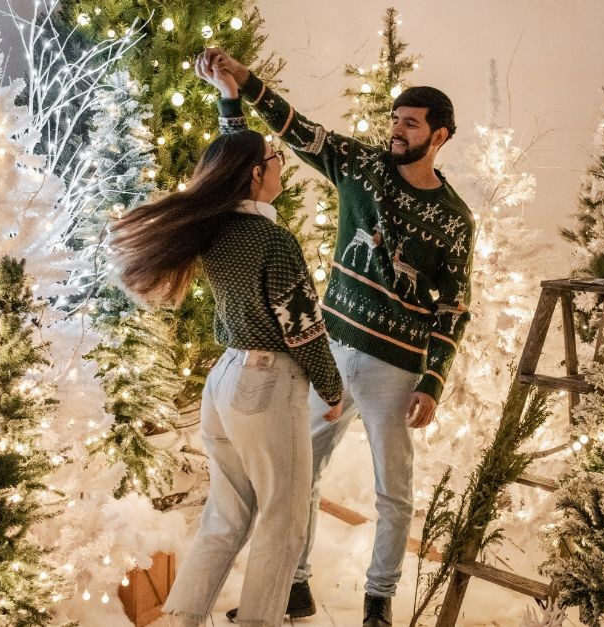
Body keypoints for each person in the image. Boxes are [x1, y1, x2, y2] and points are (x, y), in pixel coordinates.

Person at [198, 48, 475, 627]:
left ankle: (379, 601)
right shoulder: (360, 166)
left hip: (395, 369)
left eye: (410, 123)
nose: (396, 130)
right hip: (329, 348)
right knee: (302, 474)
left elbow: (454, 305)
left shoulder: (454, 218)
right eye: (395, 119)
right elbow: (296, 128)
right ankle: (294, 588)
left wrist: (434, 378)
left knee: (392, 491)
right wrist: (242, 83)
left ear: (439, 135)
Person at [109, 79, 344, 625]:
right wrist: (331, 389)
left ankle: (182, 618)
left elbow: (231, 155)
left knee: (225, 517)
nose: (281, 164)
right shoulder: (272, 241)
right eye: (274, 159)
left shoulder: (216, 228)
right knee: (284, 523)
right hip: (267, 385)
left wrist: (229, 103)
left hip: (225, 384)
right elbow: (303, 327)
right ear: (256, 176)